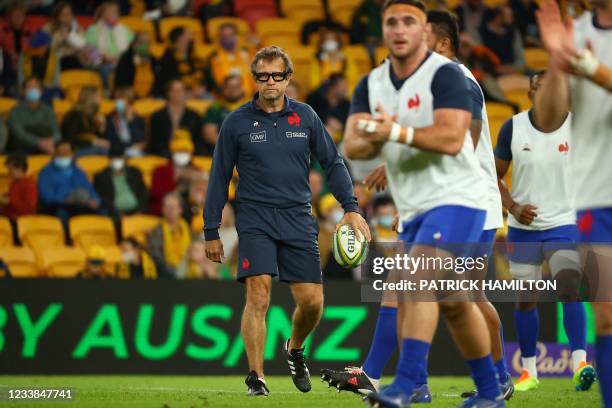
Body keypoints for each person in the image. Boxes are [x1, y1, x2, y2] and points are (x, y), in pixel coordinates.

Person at [321, 9, 513, 402]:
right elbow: (362, 141)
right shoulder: (392, 81)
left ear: (434, 39)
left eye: (411, 27)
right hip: (425, 199)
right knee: (445, 296)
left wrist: (396, 137)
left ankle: (411, 382)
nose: (401, 35)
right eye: (391, 24)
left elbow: (456, 138)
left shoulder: (456, 78)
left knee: (443, 290)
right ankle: (470, 386)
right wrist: (388, 144)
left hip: (467, 196)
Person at [203, 45, 370, 396]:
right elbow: (218, 177)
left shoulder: (306, 117)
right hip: (255, 218)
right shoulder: (236, 122)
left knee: (312, 303)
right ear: (255, 79)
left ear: (288, 78)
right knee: (258, 294)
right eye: (263, 76)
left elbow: (334, 163)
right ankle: (257, 377)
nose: (270, 83)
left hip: (297, 217)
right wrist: (211, 229)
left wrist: (351, 207)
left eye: (277, 76)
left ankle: (294, 349)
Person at [532, 1, 612, 405]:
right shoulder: (574, 33)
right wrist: (558, 60)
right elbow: (547, 120)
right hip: (598, 198)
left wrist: (584, 64)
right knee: (607, 316)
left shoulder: (582, 48)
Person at [494, 70, 594, 392]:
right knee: (526, 300)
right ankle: (529, 372)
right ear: (530, 94)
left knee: (568, 284)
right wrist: (512, 207)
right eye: (537, 88)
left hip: (563, 221)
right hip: (522, 228)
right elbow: (493, 176)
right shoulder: (513, 127)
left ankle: (580, 364)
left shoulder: (576, 127)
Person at [37, 139, 101, 225]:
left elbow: (90, 189)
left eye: (67, 152)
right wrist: (64, 200)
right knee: (62, 214)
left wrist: (95, 200)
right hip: (59, 206)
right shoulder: (46, 173)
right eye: (61, 152)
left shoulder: (79, 171)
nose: (64, 155)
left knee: (101, 211)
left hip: (81, 205)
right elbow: (47, 196)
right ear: (55, 153)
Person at [85, 0, 133, 87]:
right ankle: (110, 95)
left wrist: (122, 59)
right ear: (103, 13)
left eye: (116, 11)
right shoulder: (93, 30)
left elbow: (132, 48)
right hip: (102, 64)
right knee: (108, 70)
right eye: (111, 10)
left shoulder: (125, 30)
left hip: (122, 63)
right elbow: (90, 51)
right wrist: (105, 57)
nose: (115, 13)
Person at [93, 144, 148, 220]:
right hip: (115, 215)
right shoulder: (101, 177)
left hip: (138, 213)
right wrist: (117, 215)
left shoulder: (135, 172)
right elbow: (103, 200)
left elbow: (144, 193)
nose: (117, 160)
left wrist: (140, 212)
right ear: (109, 159)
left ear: (125, 158)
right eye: (114, 158)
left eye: (120, 157)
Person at [7, 76, 60, 154]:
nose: (33, 90)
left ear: (41, 91)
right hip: (24, 147)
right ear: (23, 91)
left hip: (48, 146)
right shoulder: (15, 111)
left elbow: (57, 132)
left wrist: (51, 141)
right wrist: (39, 142)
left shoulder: (47, 110)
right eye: (29, 87)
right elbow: (19, 133)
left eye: (36, 87)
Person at [148, 79, 202, 157]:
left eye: (181, 90)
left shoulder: (195, 116)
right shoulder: (157, 116)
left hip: (188, 155)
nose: (178, 93)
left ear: (185, 93)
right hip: (162, 156)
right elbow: (154, 143)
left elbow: (198, 142)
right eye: (175, 90)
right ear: (168, 93)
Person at [149, 133, 200, 215]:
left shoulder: (196, 171)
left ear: (191, 154)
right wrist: (175, 180)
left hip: (191, 209)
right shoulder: (160, 170)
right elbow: (156, 194)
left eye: (185, 152)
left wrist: (196, 180)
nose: (182, 155)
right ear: (172, 153)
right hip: (166, 208)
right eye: (179, 151)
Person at [147, 192, 192, 278]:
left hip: (187, 269)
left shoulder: (188, 229)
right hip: (166, 274)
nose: (170, 209)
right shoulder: (157, 231)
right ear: (162, 209)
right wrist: (175, 271)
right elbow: (156, 257)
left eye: (173, 206)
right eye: (167, 206)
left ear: (180, 210)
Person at [201, 74, 246, 156]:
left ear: (241, 89)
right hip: (222, 152)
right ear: (223, 88)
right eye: (229, 87)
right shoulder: (215, 108)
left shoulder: (251, 108)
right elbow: (209, 135)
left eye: (236, 87)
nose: (233, 90)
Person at [155, 26, 206, 98]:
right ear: (179, 38)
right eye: (188, 34)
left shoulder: (193, 56)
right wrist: (189, 93)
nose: (191, 37)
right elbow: (170, 80)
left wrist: (201, 88)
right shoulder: (168, 57)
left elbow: (203, 74)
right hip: (175, 93)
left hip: (197, 91)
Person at [207, 22, 254, 97]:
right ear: (219, 38)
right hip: (226, 98)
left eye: (230, 35)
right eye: (224, 36)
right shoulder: (213, 57)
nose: (227, 39)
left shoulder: (247, 53)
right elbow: (213, 83)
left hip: (250, 98)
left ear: (236, 36)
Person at [61, 85, 110, 156]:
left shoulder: (92, 115)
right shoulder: (74, 115)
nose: (101, 99)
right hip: (75, 149)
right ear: (90, 97)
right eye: (98, 96)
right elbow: (71, 139)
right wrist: (93, 142)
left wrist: (102, 129)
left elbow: (96, 137)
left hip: (89, 148)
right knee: (105, 151)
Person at [306, 73, 351, 143]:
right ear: (333, 87)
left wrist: (342, 126)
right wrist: (326, 120)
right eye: (343, 86)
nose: (346, 89)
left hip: (342, 140)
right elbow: (306, 117)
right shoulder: (315, 99)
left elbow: (350, 123)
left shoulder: (346, 104)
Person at [480, 6, 525, 74]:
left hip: (511, 70)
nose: (513, 18)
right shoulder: (482, 32)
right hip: (490, 72)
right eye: (509, 15)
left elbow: (520, 59)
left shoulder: (513, 32)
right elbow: (479, 57)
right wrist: (494, 68)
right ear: (499, 16)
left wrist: (512, 67)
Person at [114, 31, 157, 98]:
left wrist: (153, 93)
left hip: (152, 96)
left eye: (147, 43)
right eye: (142, 42)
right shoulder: (126, 60)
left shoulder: (154, 59)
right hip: (130, 96)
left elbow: (159, 80)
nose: (145, 45)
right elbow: (121, 83)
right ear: (134, 44)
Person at [105, 87, 146, 155]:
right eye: (116, 99)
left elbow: (140, 139)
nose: (117, 102)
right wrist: (130, 145)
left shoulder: (137, 117)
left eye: (120, 99)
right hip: (119, 150)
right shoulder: (111, 117)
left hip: (136, 150)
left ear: (129, 102)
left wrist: (131, 121)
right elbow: (112, 141)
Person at [0, 152, 37, 220]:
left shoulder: (29, 184)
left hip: (20, 220)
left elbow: (29, 208)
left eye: (12, 169)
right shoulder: (14, 183)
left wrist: (9, 201)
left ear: (21, 168)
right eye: (9, 169)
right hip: (8, 216)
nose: (10, 172)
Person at [0, 2, 34, 73]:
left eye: (21, 16)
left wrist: (21, 56)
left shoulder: (30, 29)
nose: (18, 18)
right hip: (7, 63)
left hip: (25, 61)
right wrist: (9, 53)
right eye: (15, 15)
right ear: (9, 17)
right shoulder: (3, 30)